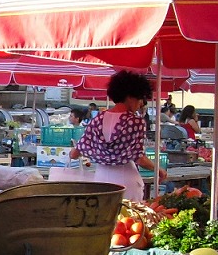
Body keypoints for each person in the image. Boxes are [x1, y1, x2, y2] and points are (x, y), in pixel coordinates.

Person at [70, 70, 167, 200]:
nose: (141, 103)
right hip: (127, 181)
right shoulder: (136, 122)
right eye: (140, 98)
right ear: (130, 96)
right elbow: (139, 158)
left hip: (100, 181)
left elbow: (75, 154)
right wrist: (158, 169)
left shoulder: (97, 120)